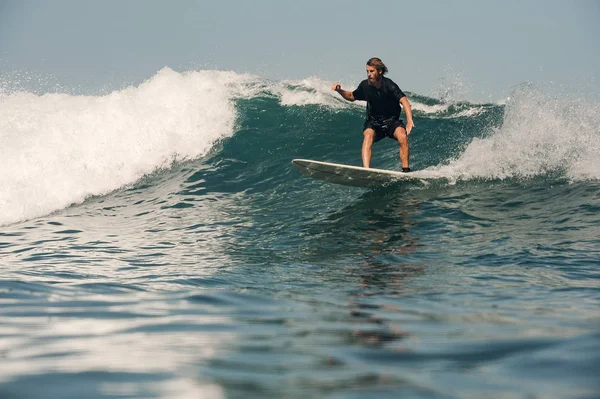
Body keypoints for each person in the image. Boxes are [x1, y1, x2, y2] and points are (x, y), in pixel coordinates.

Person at [332, 57, 415, 171]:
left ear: (379, 71)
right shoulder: (365, 86)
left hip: (391, 121)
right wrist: (339, 91)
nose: (369, 74)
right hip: (374, 122)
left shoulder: (389, 85)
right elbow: (352, 96)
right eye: (367, 71)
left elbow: (404, 100)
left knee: (402, 136)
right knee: (368, 136)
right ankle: (366, 170)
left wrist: (409, 121)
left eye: (371, 71)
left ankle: (406, 170)